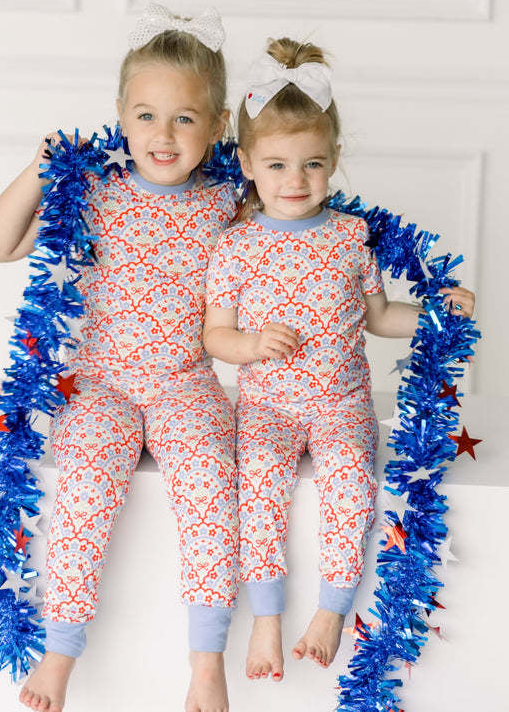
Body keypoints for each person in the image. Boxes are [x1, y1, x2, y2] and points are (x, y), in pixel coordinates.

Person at [0, 3, 240, 712]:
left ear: (218, 127)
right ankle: (60, 652)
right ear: (120, 116)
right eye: (146, 115)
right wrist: (41, 170)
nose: (164, 135)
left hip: (187, 381)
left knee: (210, 482)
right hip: (101, 383)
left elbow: (303, 231)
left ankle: (207, 660)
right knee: (86, 492)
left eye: (185, 118)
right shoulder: (93, 190)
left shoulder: (230, 200)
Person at [203, 37, 475, 683]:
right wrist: (251, 345)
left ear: (334, 160)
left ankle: (331, 611)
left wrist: (436, 312)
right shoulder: (236, 247)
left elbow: (378, 317)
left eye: (312, 164)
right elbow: (215, 336)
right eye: (276, 165)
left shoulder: (351, 237)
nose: (295, 181)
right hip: (266, 407)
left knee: (351, 482)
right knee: (259, 485)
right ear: (246, 163)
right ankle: (266, 617)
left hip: (341, 405)